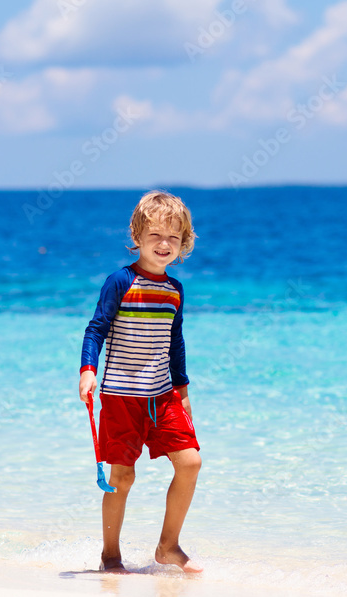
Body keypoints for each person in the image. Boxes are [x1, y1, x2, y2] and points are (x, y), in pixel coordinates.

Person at [78, 190, 203, 574]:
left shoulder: (174, 290)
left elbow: (175, 343)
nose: (164, 244)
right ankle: (110, 556)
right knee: (122, 477)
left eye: (173, 237)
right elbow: (96, 329)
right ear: (137, 236)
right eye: (155, 235)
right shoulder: (120, 281)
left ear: (183, 242)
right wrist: (87, 370)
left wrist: (183, 391)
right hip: (120, 397)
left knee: (190, 463)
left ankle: (168, 546)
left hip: (163, 396)